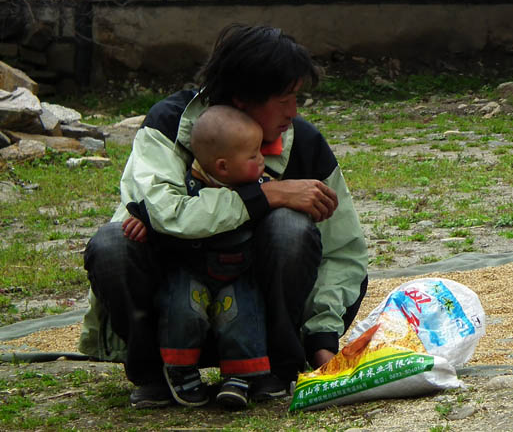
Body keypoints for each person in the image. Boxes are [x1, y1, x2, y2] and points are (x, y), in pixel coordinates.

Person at [80, 24, 369, 408]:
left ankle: (276, 370)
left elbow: (343, 252)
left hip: (256, 324)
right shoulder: (167, 125)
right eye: (285, 99)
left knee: (290, 229)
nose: (294, 112)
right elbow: (167, 213)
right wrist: (265, 195)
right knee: (113, 243)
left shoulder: (307, 145)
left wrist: (321, 341)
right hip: (175, 314)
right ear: (242, 98)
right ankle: (156, 374)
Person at [121, 105, 276, 409]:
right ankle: (180, 373)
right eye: (253, 155)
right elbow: (168, 213)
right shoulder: (187, 184)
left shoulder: (261, 184)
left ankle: (241, 377)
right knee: (181, 312)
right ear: (222, 166)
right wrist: (145, 221)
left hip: (238, 271)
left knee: (242, 317)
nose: (262, 159)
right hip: (189, 269)